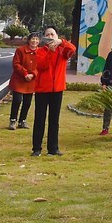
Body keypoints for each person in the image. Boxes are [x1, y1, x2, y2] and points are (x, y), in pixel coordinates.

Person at [32, 26, 76, 156]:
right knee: (39, 118)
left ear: (56, 36)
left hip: (57, 89)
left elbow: (72, 49)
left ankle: (53, 148)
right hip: (42, 89)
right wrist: (50, 51)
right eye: (47, 34)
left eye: (52, 34)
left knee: (54, 119)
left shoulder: (63, 50)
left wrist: (61, 42)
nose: (50, 37)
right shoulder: (40, 51)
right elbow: (42, 66)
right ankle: (36, 148)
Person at [8, 32, 40, 130]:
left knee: (27, 102)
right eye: (33, 39)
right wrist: (25, 73)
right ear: (29, 40)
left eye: (36, 39)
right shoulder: (20, 50)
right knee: (17, 100)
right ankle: (13, 120)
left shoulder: (41, 52)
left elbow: (41, 66)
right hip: (19, 79)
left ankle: (22, 121)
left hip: (31, 80)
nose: (34, 41)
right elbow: (16, 64)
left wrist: (33, 74)